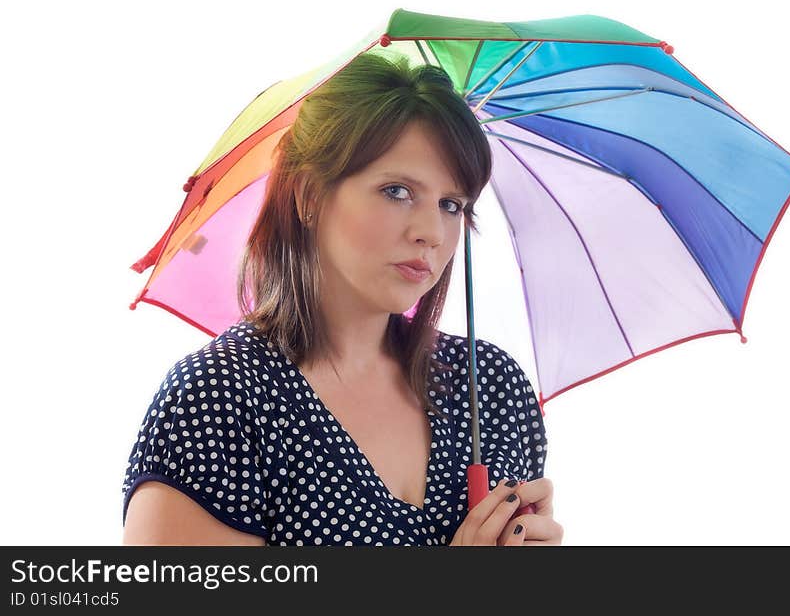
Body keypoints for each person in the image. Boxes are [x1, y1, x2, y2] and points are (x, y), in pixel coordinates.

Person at [121, 51, 563, 546]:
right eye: (397, 191)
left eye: (451, 204)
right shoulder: (218, 399)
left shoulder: (493, 390)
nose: (432, 232)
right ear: (309, 196)